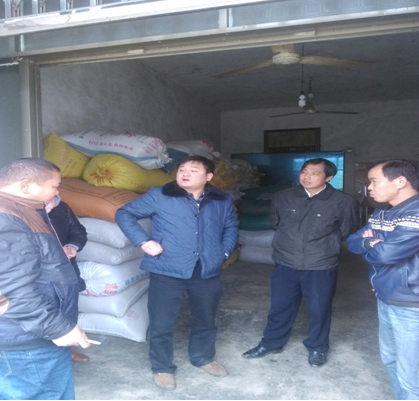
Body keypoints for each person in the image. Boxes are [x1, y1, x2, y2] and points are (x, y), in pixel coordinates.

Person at [116, 155, 238, 391]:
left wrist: (222, 252)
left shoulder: (221, 199)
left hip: (206, 268)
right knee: (162, 321)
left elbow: (230, 226)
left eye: (193, 170)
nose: (185, 173)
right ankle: (162, 366)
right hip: (167, 268)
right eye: (182, 169)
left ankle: (203, 357)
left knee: (206, 317)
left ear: (208, 177)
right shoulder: (160, 194)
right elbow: (125, 213)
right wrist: (143, 241)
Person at [242, 158, 358, 367]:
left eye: (315, 173)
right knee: (280, 306)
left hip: (319, 264)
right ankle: (272, 343)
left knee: (319, 309)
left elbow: (346, 229)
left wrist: (321, 246)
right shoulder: (284, 197)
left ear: (329, 177)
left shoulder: (343, 201)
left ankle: (318, 347)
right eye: (304, 171)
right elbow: (276, 223)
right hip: (285, 261)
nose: (307, 176)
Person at [0, 158, 90, 400]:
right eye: (54, 186)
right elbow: (9, 289)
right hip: (26, 341)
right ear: (26, 185)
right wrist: (58, 328)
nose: (57, 193)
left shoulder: (20, 211)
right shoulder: (7, 219)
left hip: (27, 334)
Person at [346, 159, 419, 400]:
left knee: (412, 376)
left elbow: (386, 255)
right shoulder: (382, 212)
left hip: (411, 303)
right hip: (386, 297)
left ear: (400, 181)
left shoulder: (415, 213)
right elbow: (352, 242)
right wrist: (370, 242)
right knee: (390, 359)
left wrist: (372, 246)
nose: (369, 187)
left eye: (374, 181)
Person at [46, 195, 90, 364]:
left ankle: (68, 351)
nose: (57, 191)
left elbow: (78, 231)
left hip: (66, 269)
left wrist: (72, 246)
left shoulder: (61, 208)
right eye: (53, 186)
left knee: (69, 310)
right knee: (43, 311)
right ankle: (44, 353)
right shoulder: (19, 211)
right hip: (38, 274)